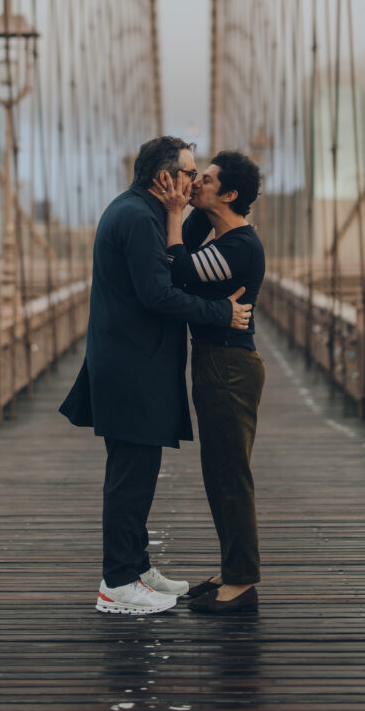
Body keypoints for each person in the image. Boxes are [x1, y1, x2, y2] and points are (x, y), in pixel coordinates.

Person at [59, 136, 252, 616]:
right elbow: (158, 295)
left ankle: (136, 567)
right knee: (130, 476)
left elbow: (177, 256)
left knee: (139, 472)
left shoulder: (141, 212)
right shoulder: (136, 218)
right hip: (131, 366)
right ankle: (118, 582)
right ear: (164, 177)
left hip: (135, 363)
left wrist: (178, 213)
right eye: (188, 173)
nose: (193, 182)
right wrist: (220, 313)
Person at [150, 150, 265, 614]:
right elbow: (173, 244)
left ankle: (241, 583)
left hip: (229, 367)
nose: (197, 181)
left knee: (230, 475)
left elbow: (178, 269)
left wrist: (177, 210)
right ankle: (232, 565)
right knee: (218, 473)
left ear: (231, 194)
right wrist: (183, 207)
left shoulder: (240, 245)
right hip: (217, 361)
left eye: (208, 179)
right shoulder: (213, 230)